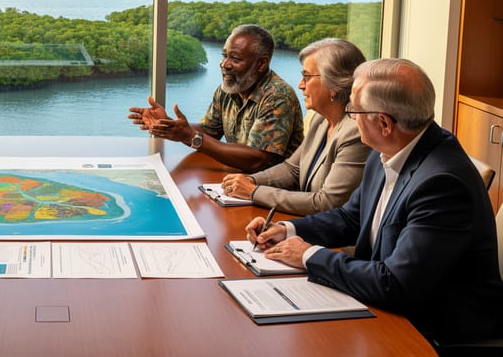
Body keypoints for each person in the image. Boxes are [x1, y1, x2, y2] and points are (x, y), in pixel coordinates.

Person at [246, 58, 503, 345]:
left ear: (383, 122)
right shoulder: (392, 147)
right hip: (390, 312)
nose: (350, 117)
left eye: (353, 109)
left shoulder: (442, 184)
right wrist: (290, 230)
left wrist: (308, 255)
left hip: (434, 335)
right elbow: (351, 218)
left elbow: (396, 284)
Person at [220, 38, 370, 214]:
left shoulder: (355, 131)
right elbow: (292, 169)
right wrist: (249, 181)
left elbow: (327, 202)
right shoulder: (321, 120)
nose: (300, 85)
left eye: (306, 77)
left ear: (334, 84)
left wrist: (254, 192)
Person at [128, 24, 304, 173]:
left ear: (261, 64)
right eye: (224, 56)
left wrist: (191, 137)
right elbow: (210, 131)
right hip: (237, 181)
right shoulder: (229, 88)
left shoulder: (277, 96)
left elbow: (257, 160)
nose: (225, 64)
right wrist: (170, 126)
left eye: (235, 58)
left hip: (272, 191)